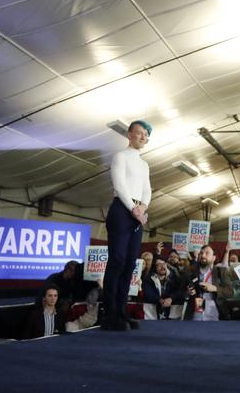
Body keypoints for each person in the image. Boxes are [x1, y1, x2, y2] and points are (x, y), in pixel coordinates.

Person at [101, 120, 152, 331]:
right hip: (122, 210)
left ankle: (122, 312)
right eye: (139, 133)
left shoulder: (144, 164)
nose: (142, 137)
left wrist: (143, 208)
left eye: (145, 135)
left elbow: (148, 189)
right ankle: (109, 314)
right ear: (130, 134)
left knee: (130, 264)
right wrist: (134, 208)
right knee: (117, 261)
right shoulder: (120, 156)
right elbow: (119, 185)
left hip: (137, 213)